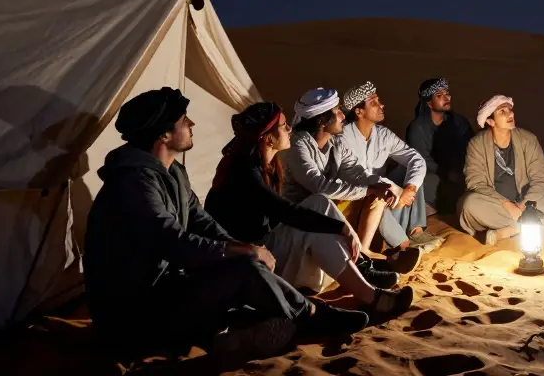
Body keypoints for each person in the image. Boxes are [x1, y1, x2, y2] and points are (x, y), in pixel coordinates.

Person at [83, 87, 366, 361]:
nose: (192, 123)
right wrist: (242, 252)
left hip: (164, 292)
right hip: (133, 313)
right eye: (184, 120)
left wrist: (241, 248)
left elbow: (201, 221)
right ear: (165, 134)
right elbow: (171, 242)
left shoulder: (173, 173)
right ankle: (309, 317)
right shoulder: (133, 182)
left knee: (243, 265)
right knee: (242, 267)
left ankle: (244, 332)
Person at [205, 101, 414, 320]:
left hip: (266, 249)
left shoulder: (266, 164)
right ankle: (370, 294)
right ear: (268, 138)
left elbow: (351, 172)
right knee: (314, 216)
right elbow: (286, 210)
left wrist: (377, 187)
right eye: (284, 126)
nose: (289, 130)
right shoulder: (247, 172)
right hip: (252, 263)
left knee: (319, 203)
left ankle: (362, 270)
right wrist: (342, 228)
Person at [281, 87, 422, 275]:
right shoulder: (299, 145)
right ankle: (368, 261)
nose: (342, 116)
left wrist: (384, 187)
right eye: (337, 111)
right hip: (305, 214)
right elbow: (319, 187)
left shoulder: (336, 142)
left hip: (332, 209)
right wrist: (369, 189)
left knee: (377, 192)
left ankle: (364, 252)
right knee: (329, 199)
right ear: (322, 120)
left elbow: (357, 172)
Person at [457, 95, 544, 245]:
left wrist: (524, 205)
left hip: (527, 203)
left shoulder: (528, 139)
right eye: (502, 112)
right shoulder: (476, 144)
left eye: (510, 110)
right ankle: (534, 227)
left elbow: (541, 177)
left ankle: (508, 232)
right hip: (496, 205)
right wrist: (506, 204)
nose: (510, 114)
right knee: (469, 204)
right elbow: (476, 182)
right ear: (490, 121)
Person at [339, 81, 441, 252]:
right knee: (374, 194)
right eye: (374, 102)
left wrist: (408, 189)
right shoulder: (343, 137)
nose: (381, 105)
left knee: (412, 172)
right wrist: (395, 190)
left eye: (379, 100)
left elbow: (416, 159)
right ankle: (403, 245)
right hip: (359, 202)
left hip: (391, 200)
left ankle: (415, 232)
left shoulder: (383, 135)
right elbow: (360, 178)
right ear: (359, 111)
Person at [404, 77, 476, 214]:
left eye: (447, 93)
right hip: (432, 174)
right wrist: (446, 172)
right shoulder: (418, 127)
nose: (446, 97)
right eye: (439, 95)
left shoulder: (459, 122)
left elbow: (471, 148)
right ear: (429, 103)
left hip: (461, 172)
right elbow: (420, 159)